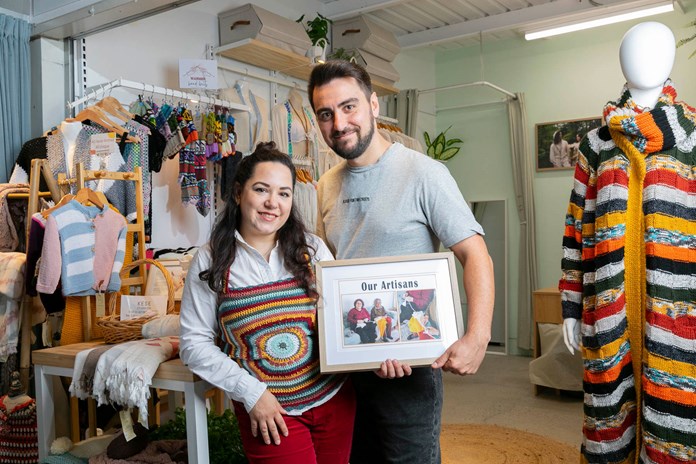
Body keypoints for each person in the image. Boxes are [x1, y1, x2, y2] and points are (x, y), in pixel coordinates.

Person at [308, 60, 495, 464]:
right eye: (326, 114)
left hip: (411, 367)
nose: (339, 123)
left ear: (374, 105)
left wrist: (478, 336)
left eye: (349, 107)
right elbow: (327, 273)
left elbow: (474, 252)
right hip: (346, 370)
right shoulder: (325, 186)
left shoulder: (424, 173)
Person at [559, 22, 696, 463]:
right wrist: (571, 304)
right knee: (608, 418)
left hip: (677, 306)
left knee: (674, 419)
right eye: (634, 50)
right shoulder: (595, 144)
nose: (645, 58)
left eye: (656, 49)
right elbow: (576, 230)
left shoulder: (692, 137)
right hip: (608, 308)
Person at [179, 142, 355, 464]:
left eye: (284, 193)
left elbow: (341, 322)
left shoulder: (312, 250)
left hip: (334, 399)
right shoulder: (210, 259)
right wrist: (252, 393)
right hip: (269, 413)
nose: (272, 203)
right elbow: (194, 344)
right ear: (237, 193)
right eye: (261, 190)